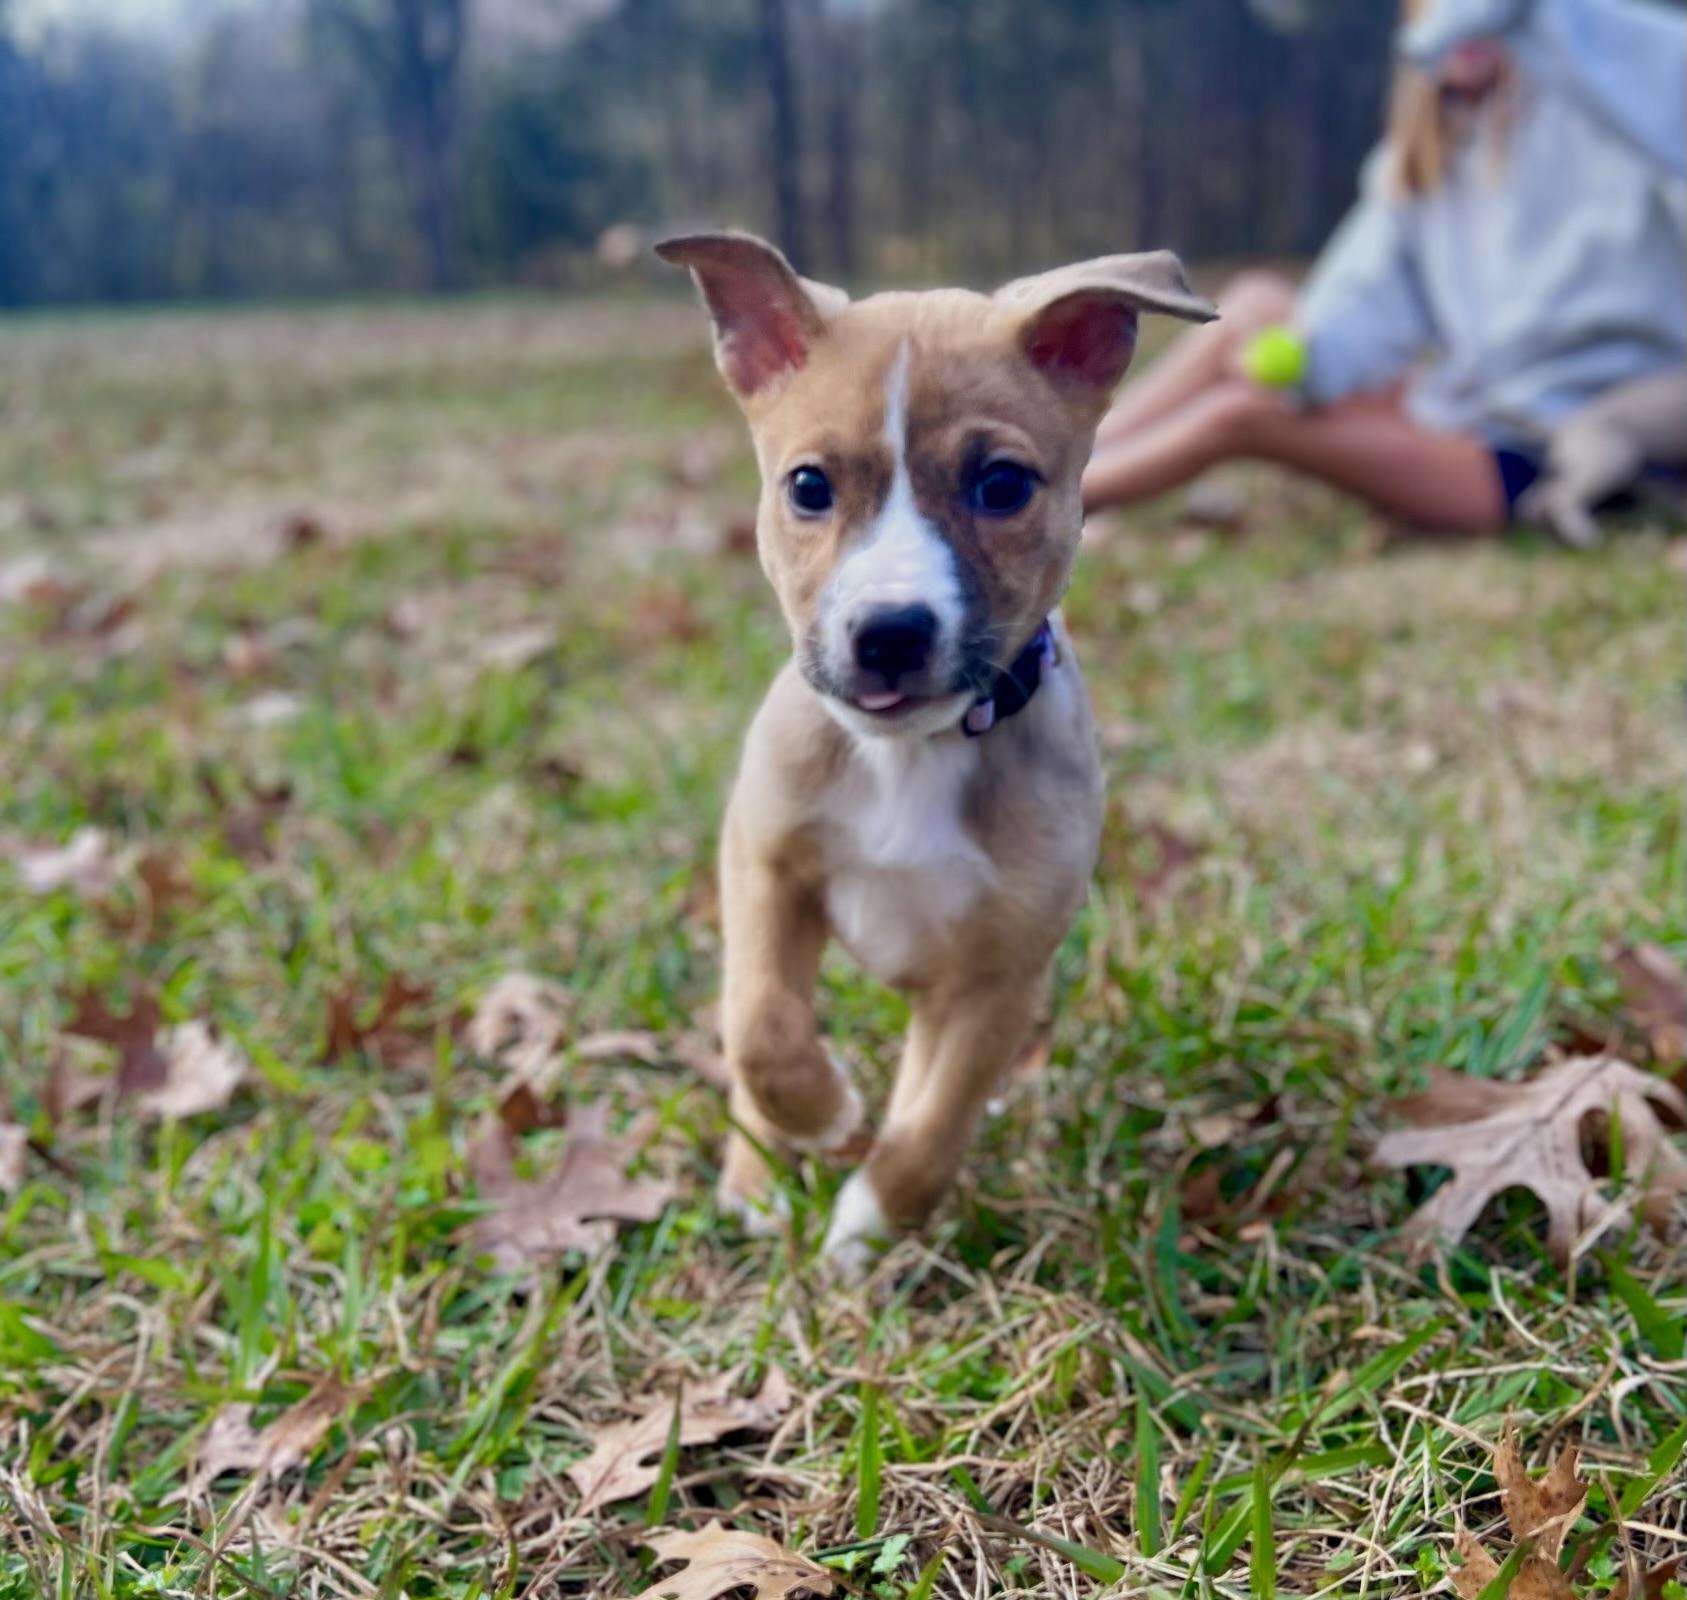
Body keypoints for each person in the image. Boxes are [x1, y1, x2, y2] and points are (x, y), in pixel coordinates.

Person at [1082, 0, 1687, 536]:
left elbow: (1660, 70)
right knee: (1257, 303)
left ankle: (1055, 501)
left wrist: (1548, 17)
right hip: (1466, 410)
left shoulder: (1611, 111)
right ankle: (1073, 450)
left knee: (1240, 416)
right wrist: (1311, 357)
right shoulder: (1420, 159)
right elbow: (1361, 305)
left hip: (1537, 454)